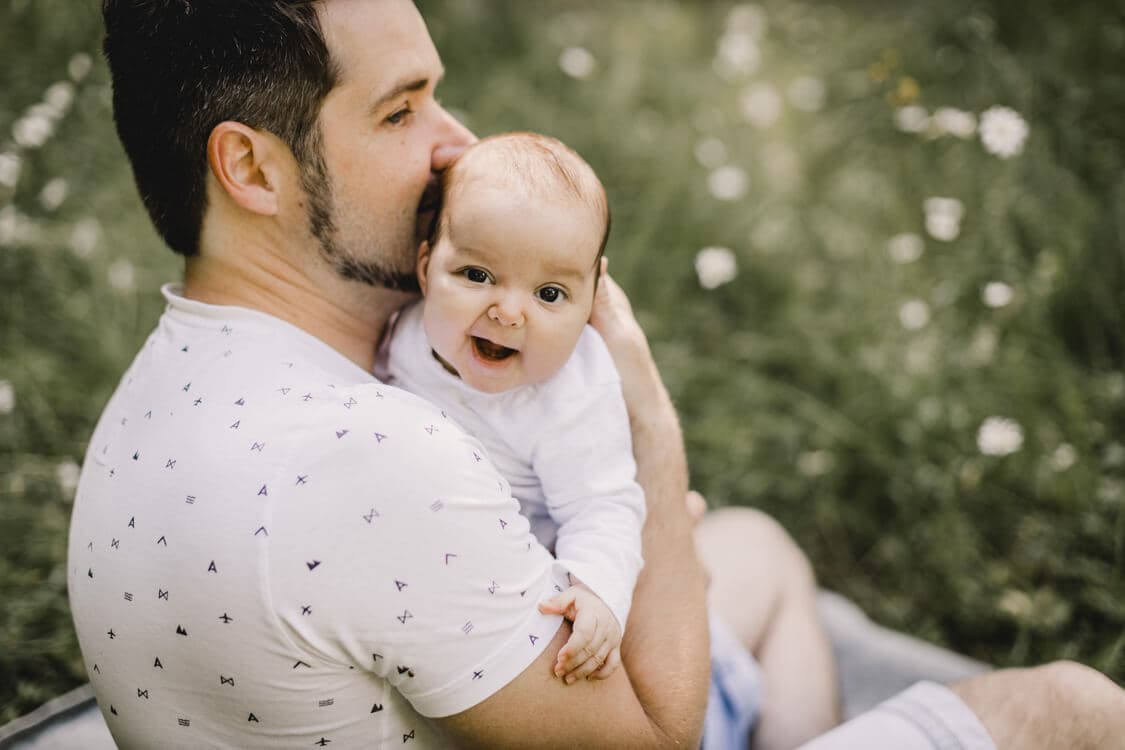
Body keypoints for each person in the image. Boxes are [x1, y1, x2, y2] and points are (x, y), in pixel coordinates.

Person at [67, 1, 1125, 748]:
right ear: (251, 167)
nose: (456, 144)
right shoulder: (371, 459)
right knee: (1072, 708)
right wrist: (651, 434)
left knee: (756, 549)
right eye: (400, 111)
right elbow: (659, 740)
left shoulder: (164, 392)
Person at [379, 131, 644, 685]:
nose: (508, 313)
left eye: (549, 294)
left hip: (524, 577)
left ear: (591, 301)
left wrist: (596, 592)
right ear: (426, 268)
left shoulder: (571, 394)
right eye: (477, 276)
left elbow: (602, 507)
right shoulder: (405, 330)